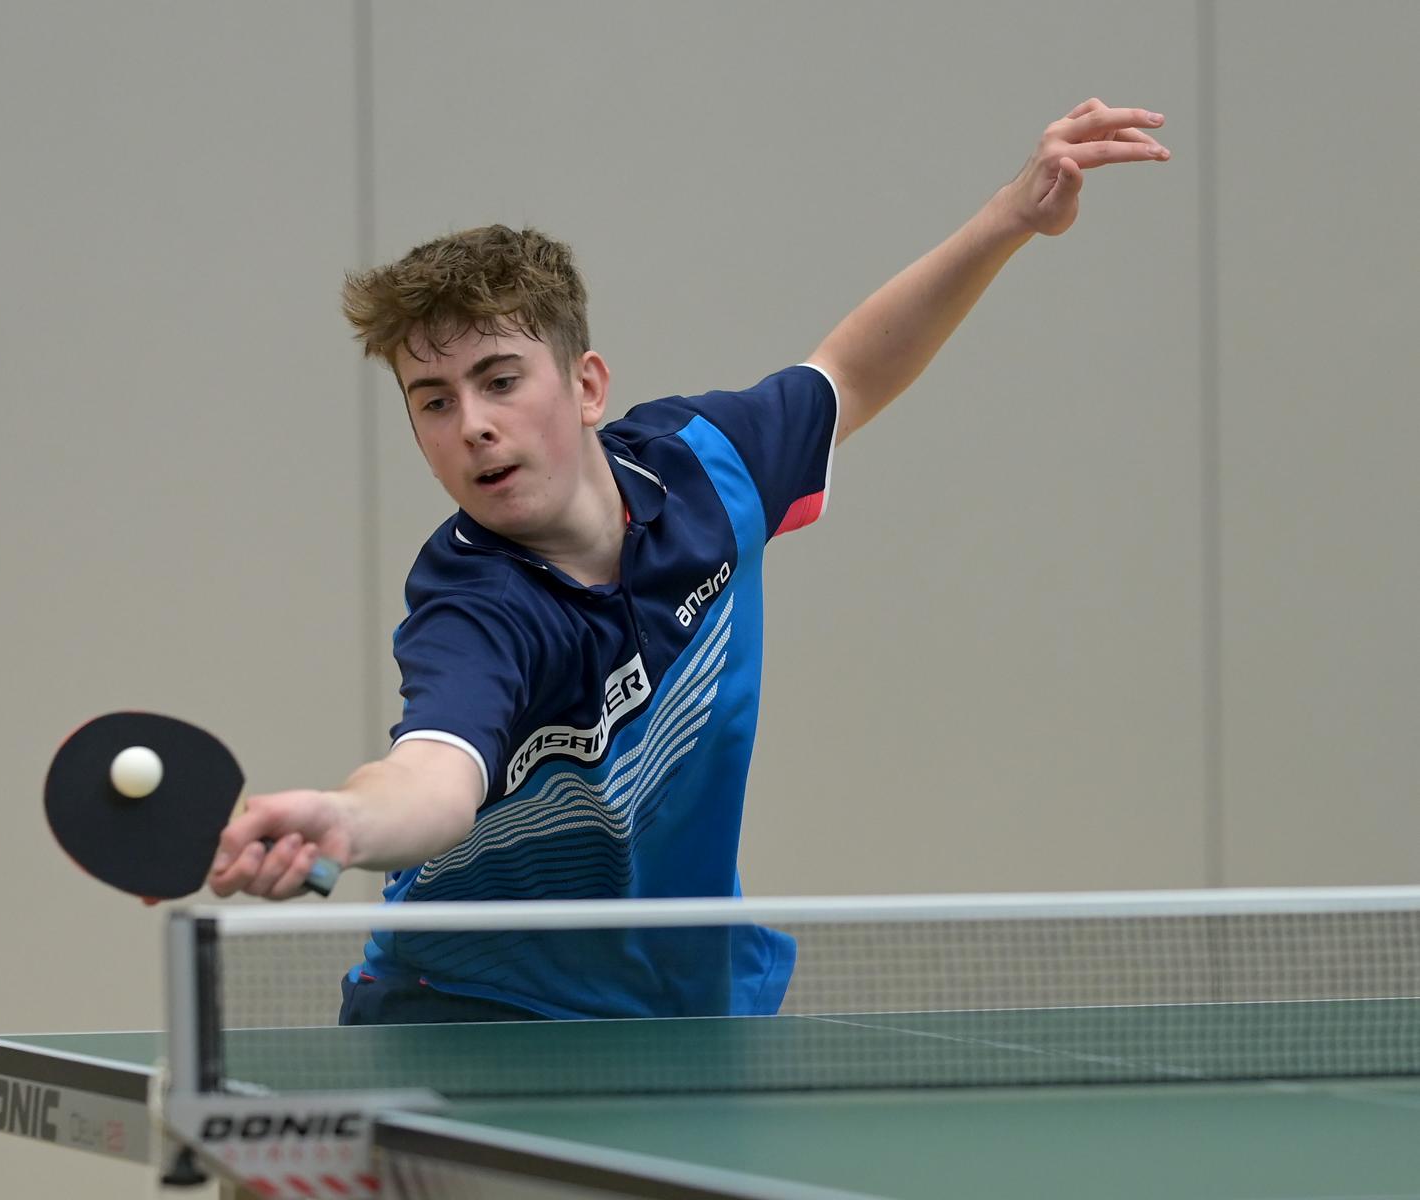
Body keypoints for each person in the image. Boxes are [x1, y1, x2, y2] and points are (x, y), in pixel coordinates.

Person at [204, 99, 1170, 1023]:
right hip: (470, 1011)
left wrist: (1009, 218)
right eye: (434, 401)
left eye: (499, 381)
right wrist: (346, 820)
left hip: (682, 1005)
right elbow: (434, 776)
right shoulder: (474, 608)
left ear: (587, 386)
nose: (473, 425)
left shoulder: (707, 469)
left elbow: (850, 371)